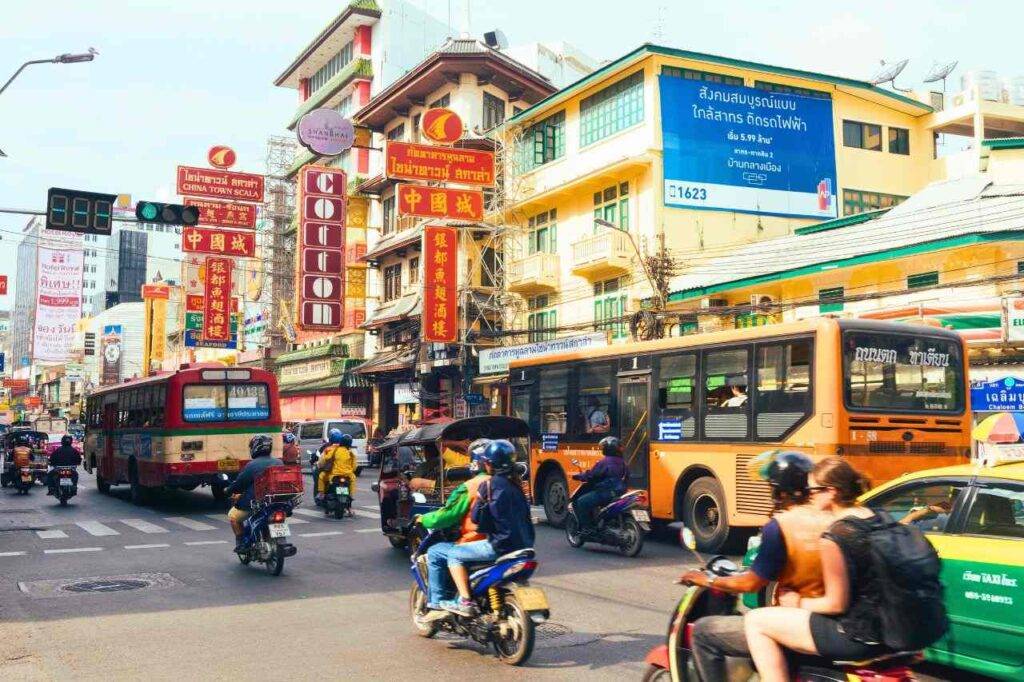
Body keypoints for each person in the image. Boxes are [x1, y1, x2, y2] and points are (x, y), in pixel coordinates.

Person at [678, 451, 834, 682]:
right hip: (830, 622)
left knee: (703, 632)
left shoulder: (780, 526)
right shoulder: (832, 519)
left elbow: (751, 583)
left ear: (780, 491)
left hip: (798, 622)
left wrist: (707, 579)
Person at [745, 458, 885, 682]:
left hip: (858, 635)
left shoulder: (837, 534)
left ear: (831, 492)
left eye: (812, 490)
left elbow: (835, 604)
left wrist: (797, 602)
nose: (808, 496)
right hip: (890, 630)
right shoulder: (878, 518)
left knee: (755, 621)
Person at [439, 440, 535, 616]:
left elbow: (476, 518)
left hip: (500, 546)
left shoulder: (488, 485)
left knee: (453, 554)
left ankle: (465, 600)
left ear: (488, 464)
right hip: (526, 546)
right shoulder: (518, 486)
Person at [419, 438, 493, 618]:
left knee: (436, 552)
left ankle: (438, 605)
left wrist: (423, 519)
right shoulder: (511, 482)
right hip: (514, 543)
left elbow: (448, 515)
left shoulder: (471, 486)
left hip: (479, 542)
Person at [225, 434, 283, 551]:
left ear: (255, 447)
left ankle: (241, 543)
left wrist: (228, 490)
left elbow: (240, 483)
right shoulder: (279, 462)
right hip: (277, 502)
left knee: (233, 516)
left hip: (257, 502)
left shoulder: (252, 465)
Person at [572, 436, 628, 534]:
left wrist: (579, 476)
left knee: (581, 502)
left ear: (608, 449)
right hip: (620, 492)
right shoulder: (623, 462)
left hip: (605, 493)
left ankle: (588, 529)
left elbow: (591, 475)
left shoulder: (605, 462)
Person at [317, 429, 356, 499]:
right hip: (348, 475)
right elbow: (354, 466)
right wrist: (350, 471)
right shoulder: (350, 452)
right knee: (353, 479)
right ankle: (351, 495)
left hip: (334, 475)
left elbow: (325, 460)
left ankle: (321, 493)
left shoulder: (332, 450)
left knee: (321, 476)